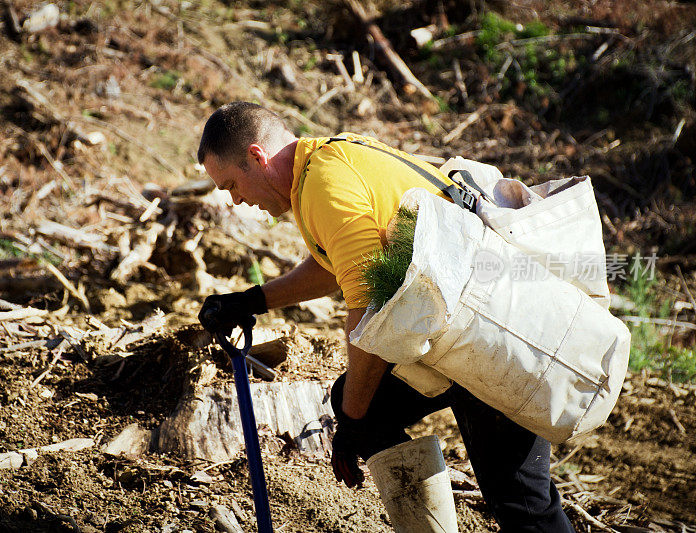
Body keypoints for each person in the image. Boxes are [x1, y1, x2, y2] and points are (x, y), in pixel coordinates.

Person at [196, 101, 574, 532]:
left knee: (521, 502)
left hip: (498, 335)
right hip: (457, 332)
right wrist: (253, 300)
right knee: (359, 402)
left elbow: (368, 313)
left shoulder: (324, 185)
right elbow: (335, 265)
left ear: (257, 157)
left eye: (231, 185)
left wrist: (353, 422)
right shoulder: (324, 166)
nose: (236, 200)